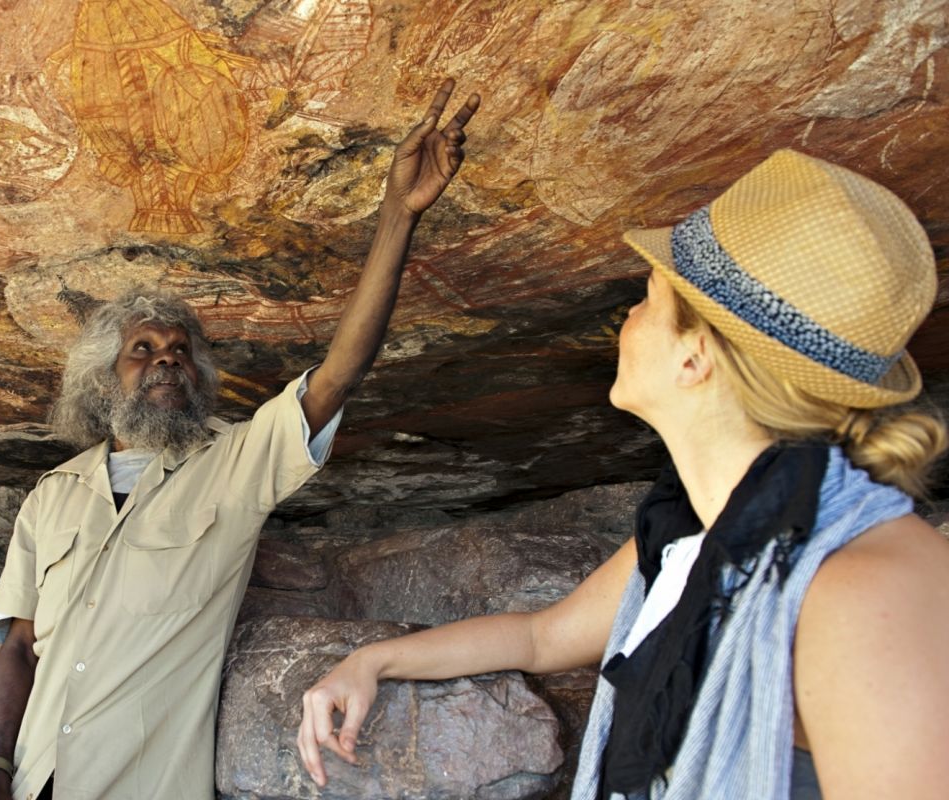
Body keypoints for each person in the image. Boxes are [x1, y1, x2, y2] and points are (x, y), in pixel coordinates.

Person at [298, 149, 949, 799]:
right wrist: (371, 661)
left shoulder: (865, 588)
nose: (626, 320)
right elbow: (541, 637)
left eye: (645, 299)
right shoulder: (698, 532)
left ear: (695, 356)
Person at [0, 80, 481, 800]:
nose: (166, 357)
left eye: (180, 348)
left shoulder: (233, 465)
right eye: (141, 348)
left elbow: (340, 373)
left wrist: (398, 213)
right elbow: (18, 646)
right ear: (102, 380)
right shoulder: (51, 499)